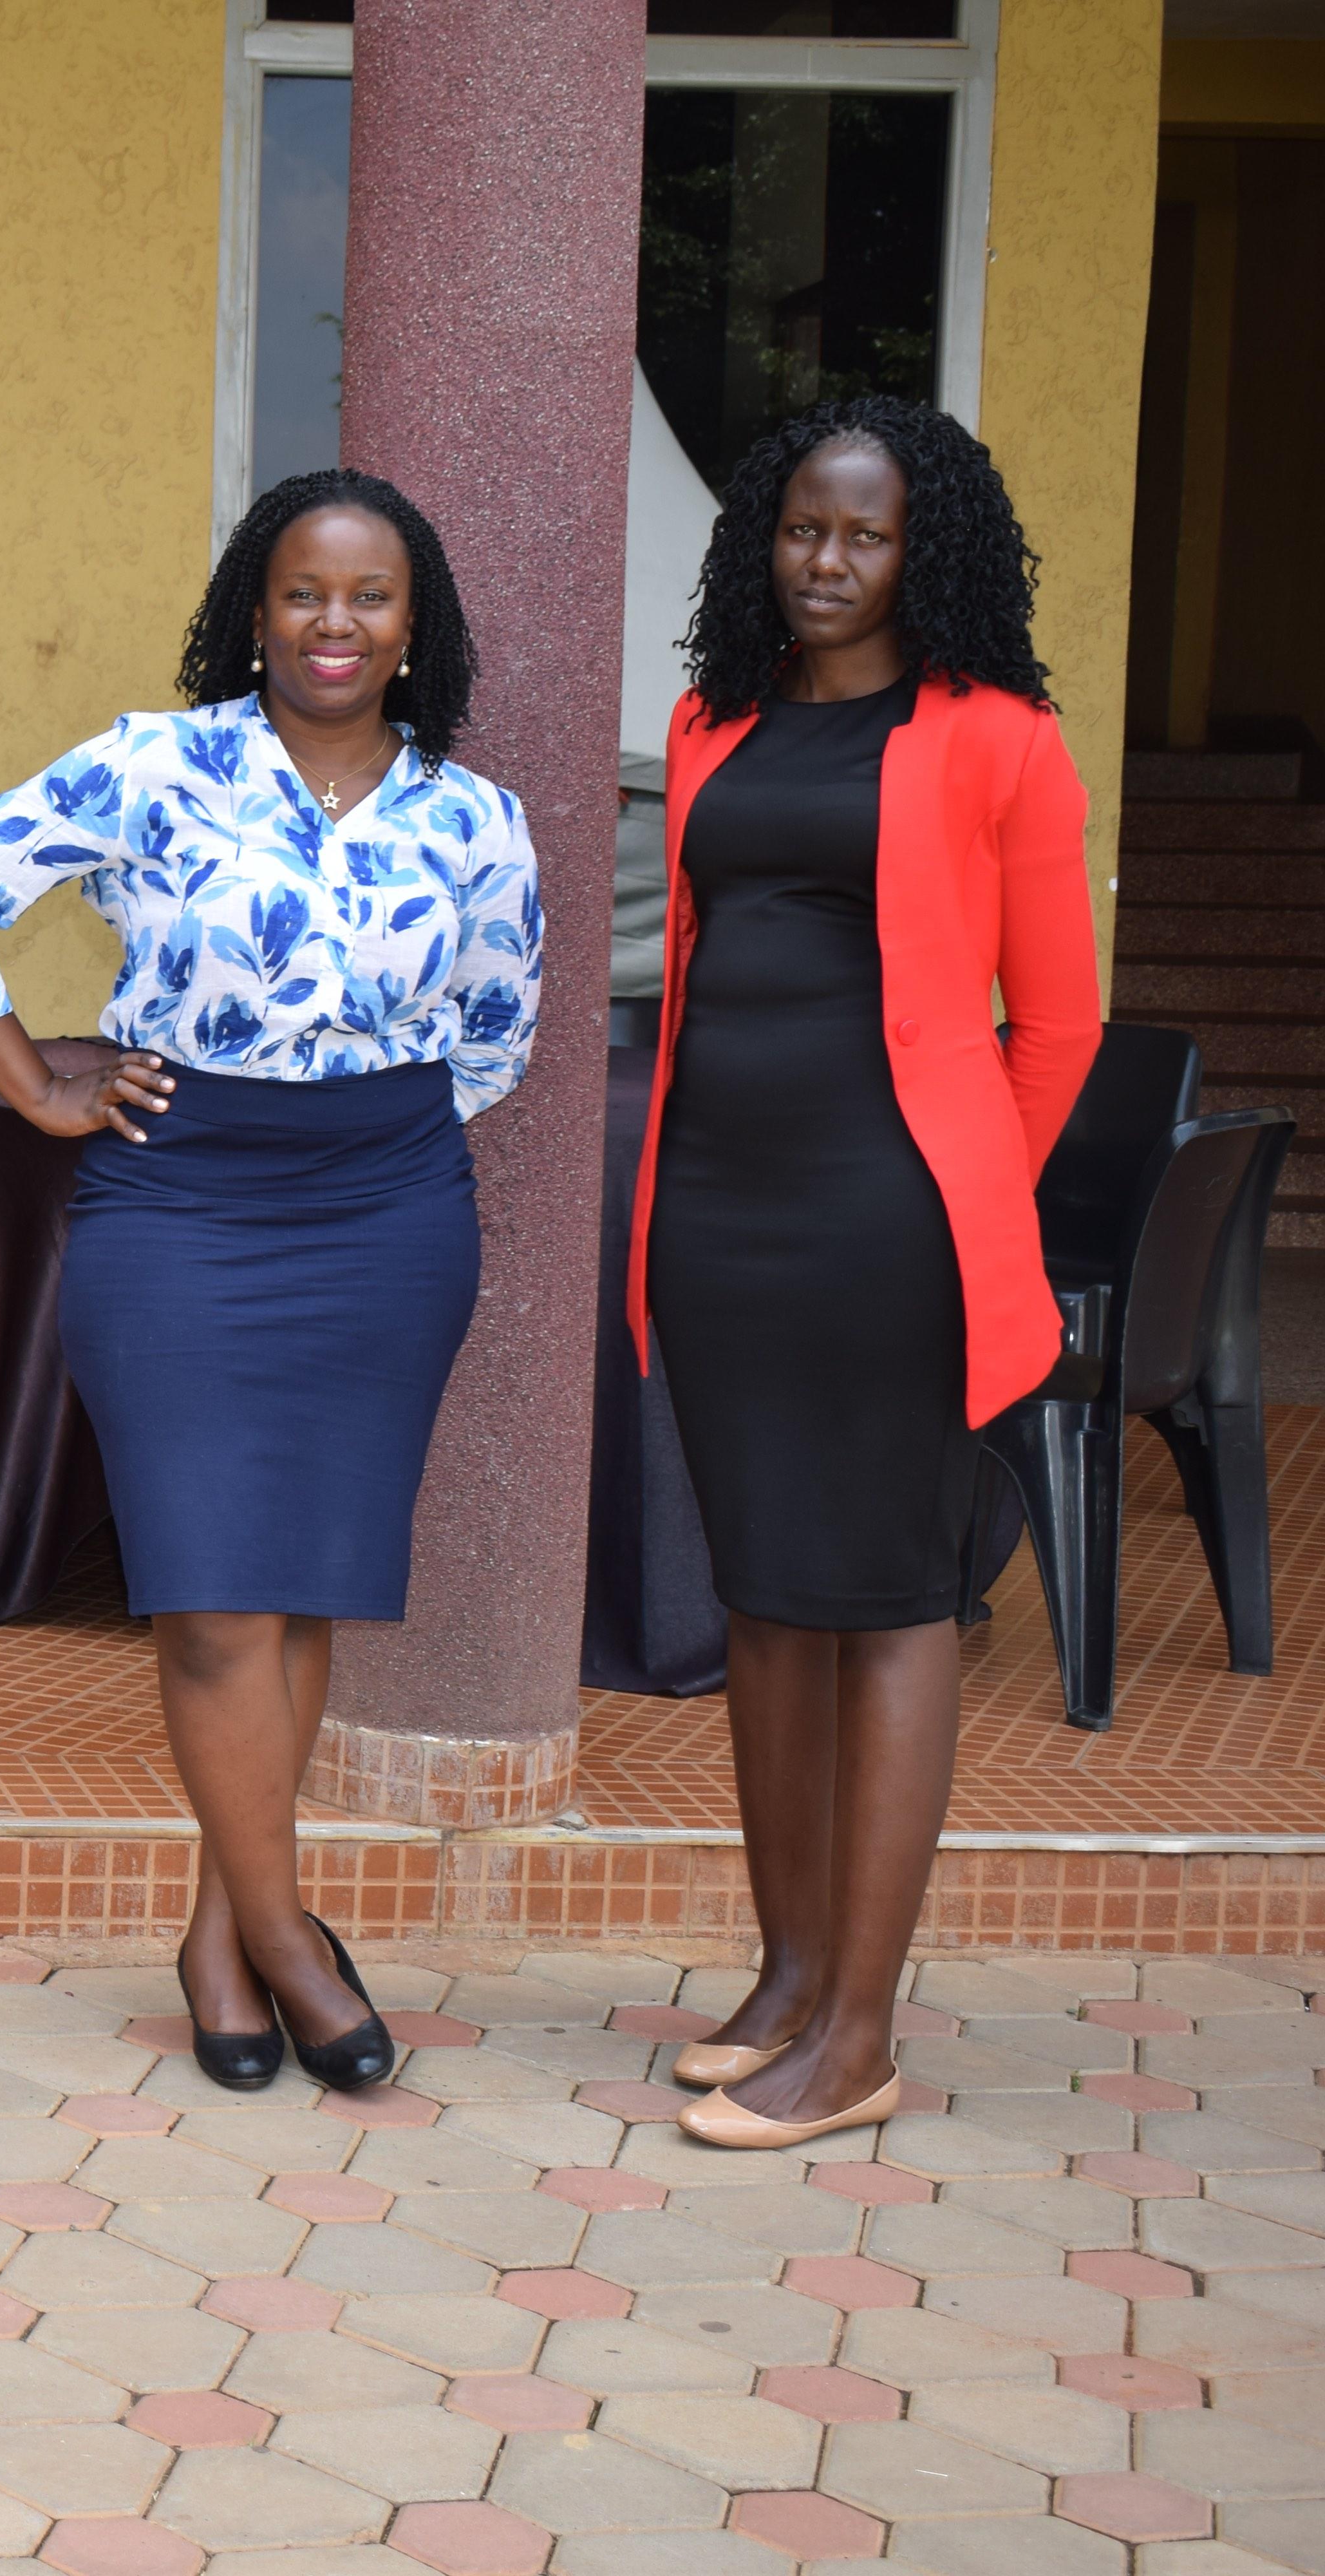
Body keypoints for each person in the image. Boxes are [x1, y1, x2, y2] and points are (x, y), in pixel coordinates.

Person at [0, 468, 540, 2094]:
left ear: (414, 626)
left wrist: (352, 1118)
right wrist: (34, 1080)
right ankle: (296, 1938)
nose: (334, 623)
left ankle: (215, 1936)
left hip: (386, 1214)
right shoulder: (154, 763)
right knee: (209, 1594)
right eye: (302, 593)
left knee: (299, 1583)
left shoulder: (474, 815)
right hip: (180, 1204)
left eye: (368, 597)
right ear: (256, 609)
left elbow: (499, 1032)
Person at [632, 397, 1097, 2152]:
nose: (826, 563)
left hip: (890, 1227)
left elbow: (1058, 1025)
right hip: (723, 1212)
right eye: (804, 530)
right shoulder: (712, 719)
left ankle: (864, 2035)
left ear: (928, 551)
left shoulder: (1000, 739)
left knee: (896, 1602)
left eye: (866, 535)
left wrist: (961, 1192)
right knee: (764, 1595)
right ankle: (788, 1975)